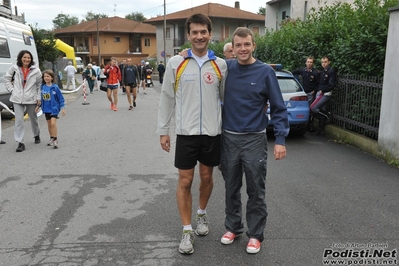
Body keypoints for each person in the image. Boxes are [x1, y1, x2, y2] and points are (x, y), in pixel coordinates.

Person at [157, 13, 227, 255]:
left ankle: (202, 214)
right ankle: (187, 230)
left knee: (206, 178)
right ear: (188, 35)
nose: (199, 36)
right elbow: (166, 98)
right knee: (185, 181)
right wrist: (163, 130)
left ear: (210, 34)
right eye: (194, 32)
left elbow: (225, 99)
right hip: (186, 133)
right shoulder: (176, 63)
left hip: (211, 133)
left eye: (203, 32)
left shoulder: (220, 64)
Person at [219, 27, 289, 254]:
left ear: (253, 46)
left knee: (256, 189)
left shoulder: (265, 72)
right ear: (232, 48)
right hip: (229, 138)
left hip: (255, 140)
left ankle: (256, 235)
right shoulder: (226, 68)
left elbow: (278, 107)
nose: (242, 49)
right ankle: (233, 227)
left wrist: (280, 139)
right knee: (231, 187)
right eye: (238, 45)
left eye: (246, 44)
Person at [4, 50, 42, 152]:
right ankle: (20, 142)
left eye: (29, 58)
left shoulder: (36, 71)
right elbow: (6, 78)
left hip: (31, 99)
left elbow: (39, 85)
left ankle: (36, 134)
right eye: (24, 57)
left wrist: (38, 98)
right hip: (17, 99)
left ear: (31, 59)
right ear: (20, 58)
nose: (27, 59)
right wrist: (12, 90)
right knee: (19, 120)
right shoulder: (14, 68)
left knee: (33, 119)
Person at [37, 70, 66, 149]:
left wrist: (63, 107)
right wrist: (38, 106)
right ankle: (51, 137)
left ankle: (55, 139)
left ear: (52, 78)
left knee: (53, 123)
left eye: (48, 76)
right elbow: (41, 98)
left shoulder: (55, 87)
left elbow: (60, 98)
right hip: (46, 108)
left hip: (54, 108)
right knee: (49, 124)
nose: (46, 78)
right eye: (45, 76)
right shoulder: (42, 87)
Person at [310, 56, 336, 135]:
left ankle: (327, 115)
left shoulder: (331, 71)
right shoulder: (323, 71)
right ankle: (321, 129)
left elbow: (331, 84)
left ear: (329, 62)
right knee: (321, 109)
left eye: (325, 62)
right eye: (322, 62)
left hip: (324, 93)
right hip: (320, 92)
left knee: (313, 108)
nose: (323, 64)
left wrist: (323, 90)